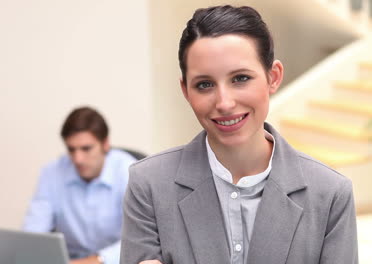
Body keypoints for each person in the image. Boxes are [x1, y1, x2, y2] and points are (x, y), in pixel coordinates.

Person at [120, 5, 358, 264]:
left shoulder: (331, 194)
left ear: (273, 77)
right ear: (186, 90)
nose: (224, 102)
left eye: (240, 78)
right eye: (204, 84)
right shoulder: (148, 185)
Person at [23, 106, 137, 264]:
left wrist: (95, 261)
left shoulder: (130, 173)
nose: (78, 159)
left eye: (86, 149)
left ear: (105, 144)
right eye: (71, 149)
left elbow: (137, 241)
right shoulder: (52, 172)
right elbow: (34, 232)